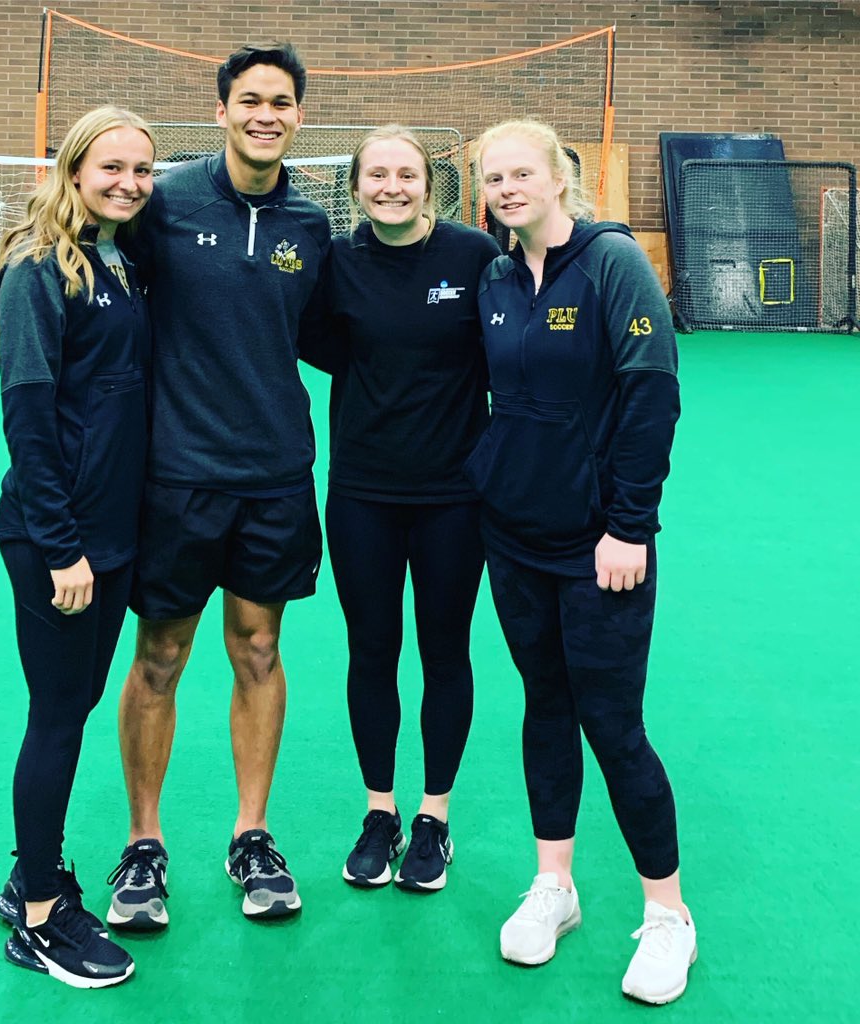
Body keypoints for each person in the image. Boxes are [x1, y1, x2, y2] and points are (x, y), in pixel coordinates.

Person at [0, 42, 330, 925]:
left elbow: (339, 336)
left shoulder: (311, 227)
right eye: (249, 99)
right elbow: (71, 265)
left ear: (299, 115)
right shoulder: (164, 203)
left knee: (257, 651)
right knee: (161, 658)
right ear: (220, 111)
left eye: (281, 102)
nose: (265, 114)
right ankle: (145, 846)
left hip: (276, 477)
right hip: (173, 479)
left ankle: (252, 836)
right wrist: (16, 334)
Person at [466, 119, 696, 1004]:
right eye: (493, 176)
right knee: (545, 708)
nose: (508, 186)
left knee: (613, 723)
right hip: (512, 538)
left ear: (560, 177)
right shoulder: (491, 276)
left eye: (523, 172)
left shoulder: (612, 264)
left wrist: (630, 525)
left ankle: (668, 915)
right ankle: (554, 887)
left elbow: (652, 395)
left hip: (600, 546)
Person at [299, 126, 500, 892]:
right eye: (376, 175)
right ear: (354, 188)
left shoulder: (474, 258)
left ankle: (433, 820)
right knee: (371, 650)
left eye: (406, 174)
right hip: (361, 495)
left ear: (430, 185)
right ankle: (379, 813)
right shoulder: (336, 264)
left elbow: (510, 349)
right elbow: (305, 336)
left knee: (445, 652)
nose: (392, 186)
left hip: (454, 498)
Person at [0, 106, 155, 987]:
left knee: (77, 704)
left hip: (115, 537)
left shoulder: (122, 259)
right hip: (59, 541)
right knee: (57, 717)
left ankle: (30, 878)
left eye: (142, 169)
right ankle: (44, 916)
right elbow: (28, 414)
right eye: (111, 167)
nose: (128, 182)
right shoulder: (36, 267)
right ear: (73, 167)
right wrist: (60, 547)